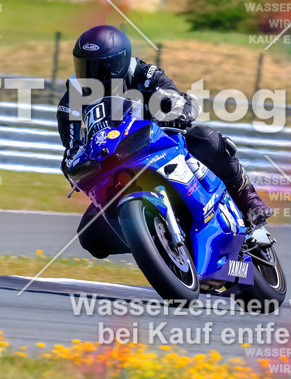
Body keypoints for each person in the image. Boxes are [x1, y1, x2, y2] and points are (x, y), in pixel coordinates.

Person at [56, 25, 273, 258]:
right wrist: (72, 163)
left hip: (159, 146)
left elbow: (175, 97)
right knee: (90, 237)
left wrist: (177, 111)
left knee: (205, 138)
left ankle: (249, 203)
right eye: (84, 65)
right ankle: (154, 242)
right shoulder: (75, 93)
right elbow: (71, 146)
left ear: (118, 63)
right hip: (115, 165)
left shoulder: (144, 74)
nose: (91, 74)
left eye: (100, 66)